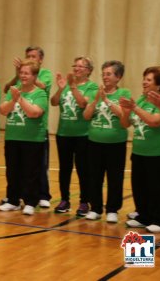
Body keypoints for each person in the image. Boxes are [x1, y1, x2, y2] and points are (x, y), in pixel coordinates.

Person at [119, 66, 160, 234]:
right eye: (144, 78)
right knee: (140, 187)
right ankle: (144, 216)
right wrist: (125, 111)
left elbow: (155, 121)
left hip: (159, 152)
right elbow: (125, 124)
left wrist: (134, 108)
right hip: (139, 151)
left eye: (149, 80)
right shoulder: (141, 99)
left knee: (158, 188)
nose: (144, 82)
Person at [4, 46, 53, 208]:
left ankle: (40, 196)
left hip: (35, 131)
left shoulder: (44, 76)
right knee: (13, 169)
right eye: (28, 56)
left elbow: (41, 87)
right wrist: (18, 74)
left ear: (40, 60)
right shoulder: (19, 82)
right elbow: (6, 95)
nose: (30, 58)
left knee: (36, 167)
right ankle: (14, 199)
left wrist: (26, 73)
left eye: (33, 56)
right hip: (14, 133)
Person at [83, 60, 130, 223]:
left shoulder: (124, 93)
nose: (105, 77)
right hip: (94, 142)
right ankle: (95, 208)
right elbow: (86, 115)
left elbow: (124, 116)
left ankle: (112, 210)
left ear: (118, 77)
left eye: (109, 74)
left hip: (115, 144)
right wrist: (96, 100)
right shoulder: (96, 92)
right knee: (94, 176)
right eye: (103, 74)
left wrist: (108, 101)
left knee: (115, 177)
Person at [50, 56, 97, 215]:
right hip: (63, 133)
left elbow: (83, 104)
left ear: (89, 71)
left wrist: (72, 86)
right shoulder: (67, 86)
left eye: (80, 67)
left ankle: (84, 202)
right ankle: (64, 200)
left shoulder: (92, 87)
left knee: (83, 169)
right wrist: (61, 88)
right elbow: (54, 102)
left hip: (83, 135)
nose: (76, 69)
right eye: (74, 66)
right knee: (64, 168)